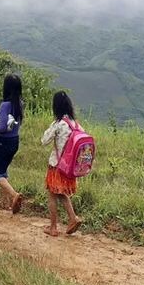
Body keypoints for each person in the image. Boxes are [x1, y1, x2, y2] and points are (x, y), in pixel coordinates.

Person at [41, 91, 83, 236]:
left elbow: (44, 141)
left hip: (57, 165)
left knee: (52, 195)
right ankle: (73, 218)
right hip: (70, 167)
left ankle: (53, 227)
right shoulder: (76, 124)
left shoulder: (58, 124)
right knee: (61, 193)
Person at [0, 74, 24, 214]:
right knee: (3, 170)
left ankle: (14, 195)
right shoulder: (20, 103)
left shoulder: (5, 105)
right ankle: (6, 202)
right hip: (14, 141)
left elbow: (2, 127)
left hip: (3, 141)